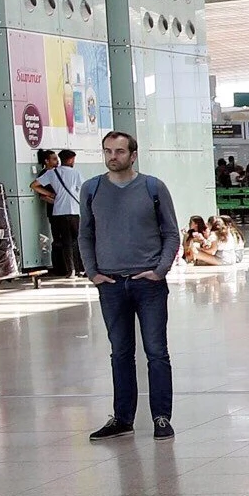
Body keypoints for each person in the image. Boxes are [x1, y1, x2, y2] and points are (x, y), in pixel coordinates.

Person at [79, 131, 180, 440]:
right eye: (108, 151)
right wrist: (92, 273)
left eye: (120, 151)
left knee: (156, 351)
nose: (113, 156)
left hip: (147, 283)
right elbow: (85, 233)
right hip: (110, 284)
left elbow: (172, 233)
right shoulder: (92, 189)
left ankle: (161, 417)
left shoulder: (152, 187)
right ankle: (123, 418)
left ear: (133, 155)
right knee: (120, 352)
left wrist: (160, 270)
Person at [34, 148, 86, 280]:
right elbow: (83, 190)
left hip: (58, 212)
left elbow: (34, 185)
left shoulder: (52, 173)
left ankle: (71, 271)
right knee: (78, 240)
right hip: (74, 211)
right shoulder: (76, 173)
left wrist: (50, 194)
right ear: (71, 160)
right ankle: (81, 268)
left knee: (66, 242)